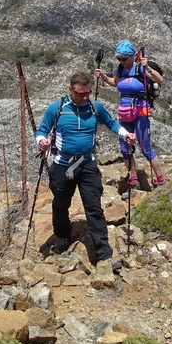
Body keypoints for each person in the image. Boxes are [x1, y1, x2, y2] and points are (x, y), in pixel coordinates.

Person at [35, 71, 136, 264]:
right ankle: (63, 235)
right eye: (80, 93)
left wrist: (125, 134)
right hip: (62, 165)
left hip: (87, 164)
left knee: (94, 207)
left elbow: (111, 123)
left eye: (87, 93)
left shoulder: (94, 107)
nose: (83, 97)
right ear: (70, 89)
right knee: (60, 205)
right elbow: (42, 130)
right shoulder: (56, 108)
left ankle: (104, 254)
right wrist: (42, 142)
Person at [95, 40, 166, 189]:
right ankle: (133, 179)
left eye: (124, 58)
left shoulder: (140, 67)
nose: (121, 61)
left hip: (141, 110)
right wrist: (103, 77)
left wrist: (148, 68)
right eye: (119, 58)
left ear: (132, 56)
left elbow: (159, 80)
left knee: (145, 147)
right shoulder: (121, 69)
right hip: (125, 111)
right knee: (125, 147)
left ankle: (161, 180)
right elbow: (115, 83)